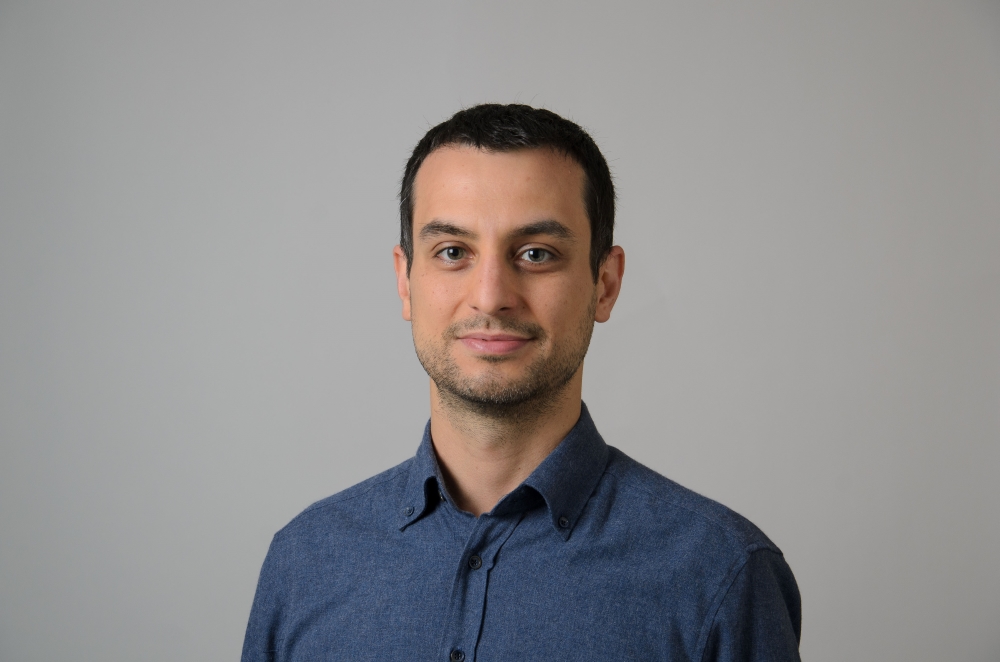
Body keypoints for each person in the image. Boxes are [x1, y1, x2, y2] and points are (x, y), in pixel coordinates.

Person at [241, 104, 801, 662]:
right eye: (452, 252)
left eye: (536, 254)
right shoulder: (304, 563)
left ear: (604, 284)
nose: (490, 295)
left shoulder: (722, 575)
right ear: (405, 282)